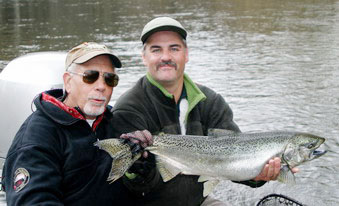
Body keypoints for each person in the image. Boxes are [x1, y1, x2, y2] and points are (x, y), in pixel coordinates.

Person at [111, 17, 297, 206]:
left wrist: (257, 175)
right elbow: (131, 186)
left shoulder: (211, 102)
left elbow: (234, 159)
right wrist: (139, 170)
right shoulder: (128, 108)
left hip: (198, 201)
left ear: (186, 54)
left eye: (174, 48)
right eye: (156, 49)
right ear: (144, 57)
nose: (165, 57)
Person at [1, 42, 142, 206]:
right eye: (90, 76)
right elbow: (34, 200)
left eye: (110, 79)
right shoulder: (37, 136)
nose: (101, 86)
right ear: (68, 82)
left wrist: (139, 172)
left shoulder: (117, 123)